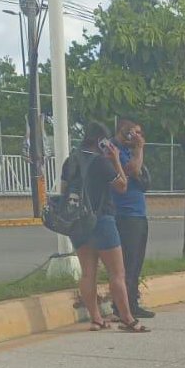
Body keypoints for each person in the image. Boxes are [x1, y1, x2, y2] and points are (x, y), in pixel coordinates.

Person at [63, 121, 149, 333]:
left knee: (87, 273)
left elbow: (64, 189)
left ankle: (96, 319)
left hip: (79, 222)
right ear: (101, 141)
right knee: (117, 273)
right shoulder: (101, 162)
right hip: (102, 220)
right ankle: (128, 319)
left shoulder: (70, 160)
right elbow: (122, 185)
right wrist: (116, 160)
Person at [110, 119, 155, 319]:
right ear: (125, 133)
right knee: (128, 263)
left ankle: (132, 301)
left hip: (138, 213)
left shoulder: (129, 150)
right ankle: (122, 306)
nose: (139, 137)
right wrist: (139, 149)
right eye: (135, 133)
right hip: (126, 215)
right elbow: (134, 170)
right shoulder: (115, 152)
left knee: (136, 262)